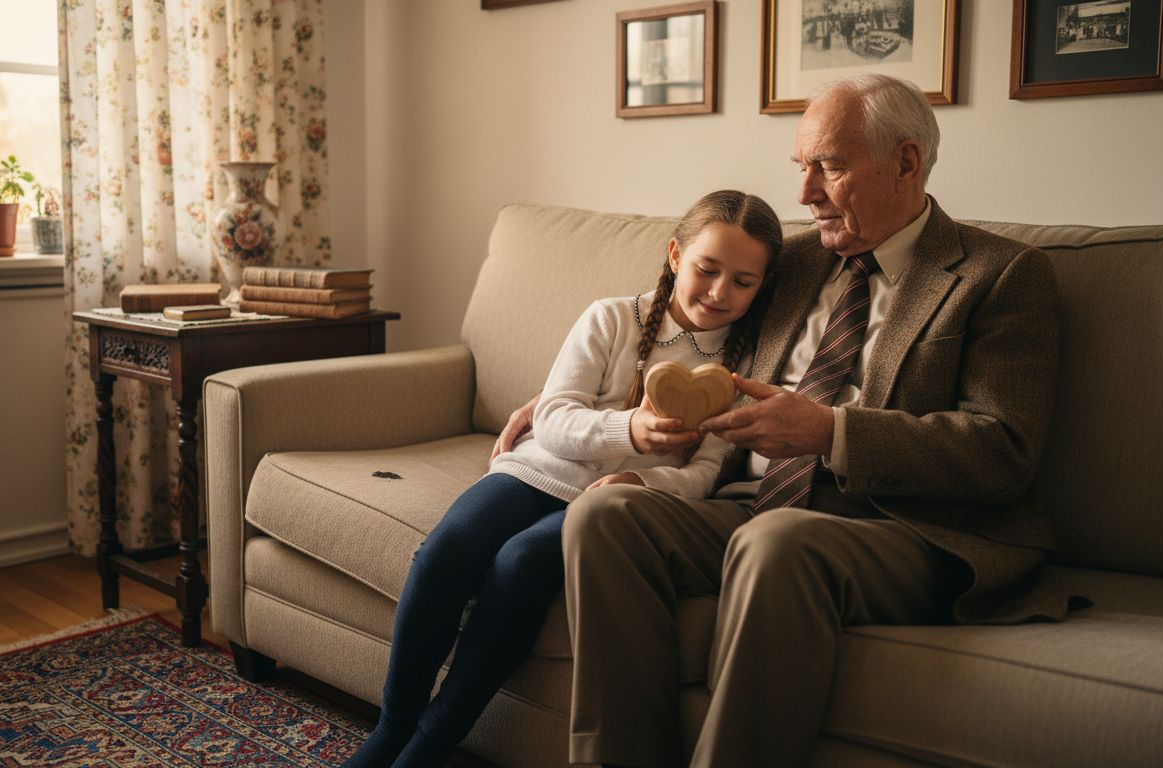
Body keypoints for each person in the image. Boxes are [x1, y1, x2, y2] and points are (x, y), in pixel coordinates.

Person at [497, 74, 1069, 767]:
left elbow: (1004, 450)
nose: (804, 194)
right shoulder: (791, 262)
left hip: (905, 526)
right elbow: (687, 324)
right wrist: (567, 396)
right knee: (603, 517)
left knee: (776, 544)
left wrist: (831, 432)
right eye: (801, 168)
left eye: (827, 167)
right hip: (753, 502)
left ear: (906, 162)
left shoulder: (999, 274)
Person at [346, 190, 783, 768]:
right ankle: (392, 730)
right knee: (446, 552)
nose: (720, 293)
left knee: (520, 565)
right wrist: (628, 431)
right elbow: (552, 417)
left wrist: (642, 481)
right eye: (708, 269)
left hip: (609, 506)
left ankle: (428, 747)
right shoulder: (610, 317)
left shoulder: (738, 370)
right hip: (536, 471)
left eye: (743, 282)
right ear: (675, 254)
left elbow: (703, 473)